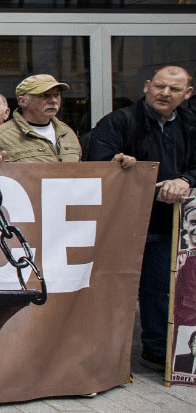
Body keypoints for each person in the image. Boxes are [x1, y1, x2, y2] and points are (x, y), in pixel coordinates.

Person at [84, 66, 194, 368]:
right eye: (159, 86)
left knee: (162, 289)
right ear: (146, 86)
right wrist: (122, 168)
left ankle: (157, 352)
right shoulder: (119, 122)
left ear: (187, 94)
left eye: (174, 89)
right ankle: (103, 358)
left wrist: (185, 180)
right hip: (121, 225)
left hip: (169, 225)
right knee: (111, 289)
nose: (165, 93)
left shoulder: (190, 124)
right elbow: (99, 165)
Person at [0, 74, 107, 168]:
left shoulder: (67, 133)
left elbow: (81, 173)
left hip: (64, 202)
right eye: (44, 95)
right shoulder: (1, 136)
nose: (53, 100)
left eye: (56, 95)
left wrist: (114, 165)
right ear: (22, 101)